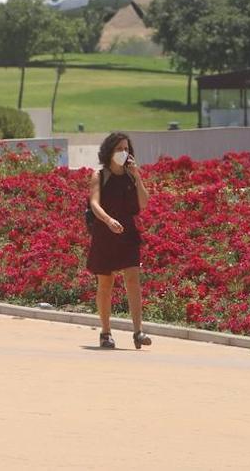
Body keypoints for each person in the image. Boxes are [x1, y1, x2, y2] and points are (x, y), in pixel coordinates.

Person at [87, 131, 151, 349]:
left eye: (126, 149)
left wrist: (138, 176)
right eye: (119, 149)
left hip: (128, 233)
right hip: (105, 233)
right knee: (106, 283)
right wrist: (108, 220)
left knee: (133, 279)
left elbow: (143, 204)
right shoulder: (100, 175)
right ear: (109, 151)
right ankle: (105, 332)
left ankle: (138, 331)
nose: (123, 153)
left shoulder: (132, 176)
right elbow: (94, 203)